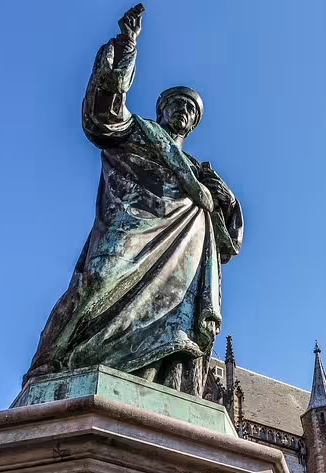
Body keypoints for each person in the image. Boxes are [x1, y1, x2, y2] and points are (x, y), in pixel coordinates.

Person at [25, 4, 243, 397]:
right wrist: (127, 46)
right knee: (95, 281)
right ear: (161, 110)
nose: (183, 112)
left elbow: (228, 241)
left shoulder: (199, 170)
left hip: (183, 255)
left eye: (190, 110)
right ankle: (50, 364)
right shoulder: (137, 131)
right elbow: (102, 116)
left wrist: (224, 199)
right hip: (132, 227)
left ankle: (155, 388)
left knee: (175, 327)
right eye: (177, 104)